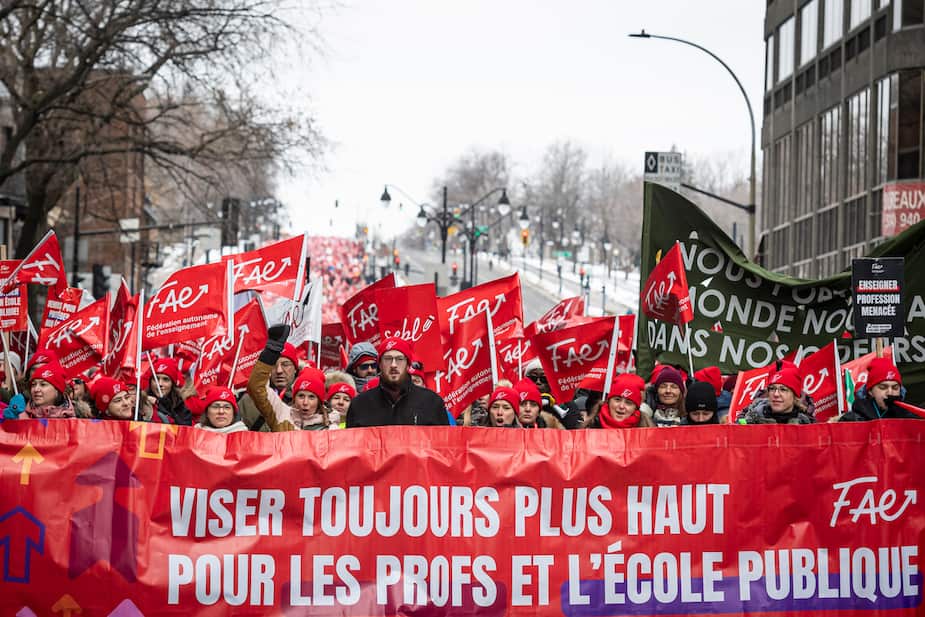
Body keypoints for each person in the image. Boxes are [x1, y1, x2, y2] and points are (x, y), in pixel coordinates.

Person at [346, 337, 448, 427]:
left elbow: (443, 446)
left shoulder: (432, 402)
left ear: (408, 365)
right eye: (388, 359)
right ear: (380, 365)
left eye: (399, 359)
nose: (394, 365)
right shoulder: (360, 405)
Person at [240, 334, 300, 432]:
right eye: (273, 365)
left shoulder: (306, 398)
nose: (279, 370)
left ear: (295, 369)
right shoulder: (248, 400)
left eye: (285, 365)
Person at [840, 358, 921, 421]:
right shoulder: (854, 419)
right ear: (870, 391)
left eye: (895, 388)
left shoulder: (911, 417)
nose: (890, 392)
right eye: (883, 387)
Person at [738, 368, 814, 425]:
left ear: (795, 396)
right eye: (772, 389)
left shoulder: (807, 425)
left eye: (783, 389)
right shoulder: (750, 420)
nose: (776, 394)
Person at [523, 359, 582, 428]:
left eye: (544, 379)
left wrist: (551, 410)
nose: (538, 382)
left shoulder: (566, 404)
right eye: (533, 378)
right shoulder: (520, 400)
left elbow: (575, 432)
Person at [583, 373, 653, 429]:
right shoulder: (590, 427)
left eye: (628, 403)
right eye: (617, 399)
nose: (621, 406)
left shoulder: (647, 431)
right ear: (609, 401)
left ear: (635, 408)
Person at [144, 357, 191, 425]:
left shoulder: (181, 407)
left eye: (165, 379)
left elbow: (182, 430)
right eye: (156, 379)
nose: (159, 384)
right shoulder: (141, 403)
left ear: (172, 384)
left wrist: (159, 404)